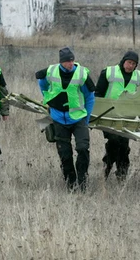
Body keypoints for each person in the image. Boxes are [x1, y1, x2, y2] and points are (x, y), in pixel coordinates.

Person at [35, 47, 95, 191]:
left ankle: (82, 181)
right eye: (68, 61)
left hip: (78, 118)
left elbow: (90, 97)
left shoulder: (82, 73)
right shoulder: (51, 71)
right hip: (58, 119)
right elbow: (42, 83)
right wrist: (47, 98)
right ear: (61, 62)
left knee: (82, 148)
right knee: (65, 154)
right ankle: (70, 184)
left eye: (72, 60)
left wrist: (86, 119)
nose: (71, 63)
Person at [95, 50, 140, 181]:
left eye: (134, 64)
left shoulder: (139, 77)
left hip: (127, 118)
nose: (130, 66)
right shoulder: (108, 72)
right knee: (114, 141)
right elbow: (97, 95)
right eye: (129, 62)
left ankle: (121, 175)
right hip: (108, 116)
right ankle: (106, 168)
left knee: (123, 146)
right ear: (123, 61)